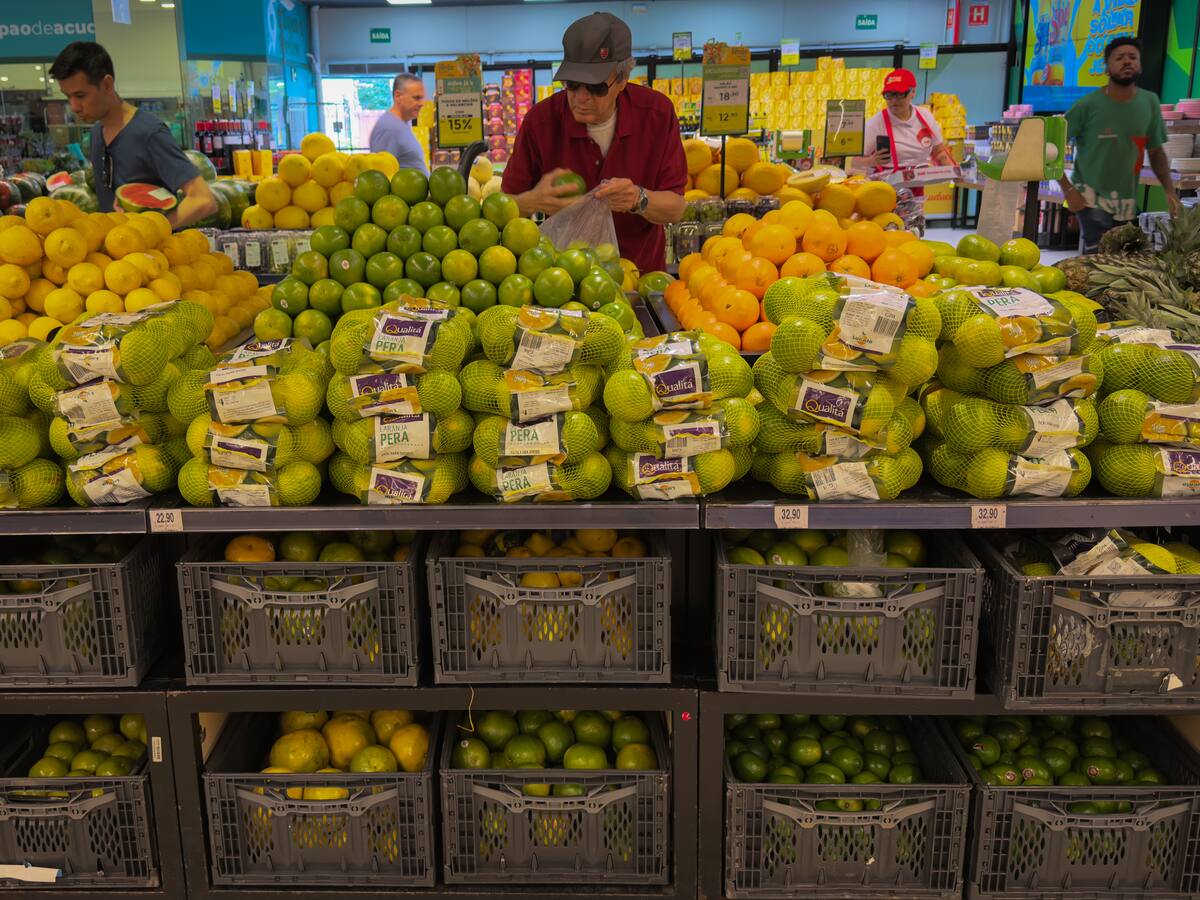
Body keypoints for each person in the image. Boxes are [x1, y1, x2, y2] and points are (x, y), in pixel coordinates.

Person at [501, 12, 687, 274]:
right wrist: (534, 200)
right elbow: (503, 208)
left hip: (638, 278)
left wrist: (637, 198)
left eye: (596, 87)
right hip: (561, 282)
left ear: (622, 80)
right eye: (572, 85)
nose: (581, 98)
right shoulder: (541, 122)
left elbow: (676, 208)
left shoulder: (656, 114)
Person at [49, 41, 216, 230]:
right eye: (67, 97)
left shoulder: (149, 133)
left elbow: (203, 200)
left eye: (80, 96)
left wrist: (151, 232)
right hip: (115, 251)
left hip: (150, 255)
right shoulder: (96, 133)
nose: (73, 107)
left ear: (107, 84)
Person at [1059, 36, 1180, 254]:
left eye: (1132, 57)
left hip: (1127, 204)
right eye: (1119, 58)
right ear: (1107, 68)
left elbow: (1155, 152)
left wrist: (1171, 193)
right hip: (1091, 201)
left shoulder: (1150, 102)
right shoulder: (1087, 105)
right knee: (1098, 263)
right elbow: (1050, 148)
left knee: (1122, 265)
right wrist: (1068, 190)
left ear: (1140, 65)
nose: (1127, 62)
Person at [859, 69, 956, 172]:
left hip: (918, 181)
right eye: (889, 95)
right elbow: (852, 161)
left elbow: (939, 152)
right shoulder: (876, 123)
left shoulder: (925, 116)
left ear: (913, 92)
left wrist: (954, 173)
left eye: (900, 94)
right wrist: (870, 161)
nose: (894, 100)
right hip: (886, 185)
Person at [369, 73, 428, 175]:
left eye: (422, 98)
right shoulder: (388, 128)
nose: (422, 103)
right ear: (398, 96)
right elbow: (380, 176)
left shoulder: (402, 124)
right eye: (416, 98)